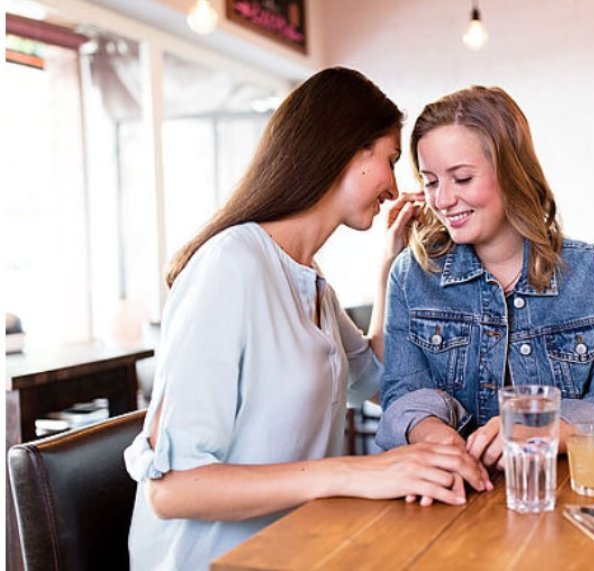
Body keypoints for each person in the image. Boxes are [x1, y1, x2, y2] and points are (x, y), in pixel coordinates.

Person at [124, 67, 490, 571]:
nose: (393, 185)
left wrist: (389, 268)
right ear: (344, 149)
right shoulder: (231, 264)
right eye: (389, 160)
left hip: (300, 550)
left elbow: (374, 380)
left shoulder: (309, 278)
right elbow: (174, 488)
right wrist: (351, 473)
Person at [375, 86, 594, 473]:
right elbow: (403, 392)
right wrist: (432, 434)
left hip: (565, 497)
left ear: (511, 173)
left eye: (463, 178)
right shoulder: (411, 276)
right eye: (432, 181)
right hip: (452, 498)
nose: (443, 200)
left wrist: (540, 430)